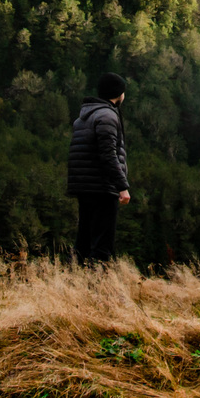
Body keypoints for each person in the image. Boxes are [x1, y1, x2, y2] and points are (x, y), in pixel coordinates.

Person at [67, 73, 130, 262]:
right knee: (102, 244)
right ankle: (99, 286)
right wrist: (122, 186)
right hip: (102, 187)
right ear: (119, 94)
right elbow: (108, 154)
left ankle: (76, 282)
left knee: (84, 240)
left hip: (83, 186)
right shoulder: (108, 116)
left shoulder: (82, 118)